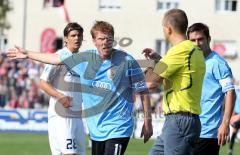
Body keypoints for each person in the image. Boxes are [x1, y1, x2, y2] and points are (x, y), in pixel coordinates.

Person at [7, 21, 153, 155]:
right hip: (96, 130)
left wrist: (148, 121)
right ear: (94, 41)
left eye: (109, 39)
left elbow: (143, 91)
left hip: (119, 128)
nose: (105, 43)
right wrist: (27, 54)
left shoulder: (127, 61)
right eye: (101, 39)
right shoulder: (85, 59)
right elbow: (55, 59)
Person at [143, 9, 206, 155]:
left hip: (180, 121)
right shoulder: (194, 50)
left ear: (168, 29)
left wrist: (152, 66)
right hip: (180, 121)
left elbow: (150, 83)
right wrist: (160, 60)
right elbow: (178, 73)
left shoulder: (179, 51)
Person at [187, 23, 236, 155]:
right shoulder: (191, 61)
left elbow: (230, 92)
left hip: (208, 131)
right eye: (192, 40)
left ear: (208, 39)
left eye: (200, 39)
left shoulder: (218, 63)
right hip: (189, 128)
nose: (197, 43)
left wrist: (225, 124)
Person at [40, 22, 85, 155]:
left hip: (77, 116)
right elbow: (43, 83)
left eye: (79, 35)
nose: (77, 38)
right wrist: (60, 97)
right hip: (62, 116)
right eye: (73, 35)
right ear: (65, 38)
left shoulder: (82, 60)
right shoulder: (59, 57)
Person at [228, 87, 240, 155]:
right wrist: (232, 115)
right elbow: (235, 105)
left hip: (238, 117)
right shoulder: (237, 92)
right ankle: (230, 150)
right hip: (236, 115)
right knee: (234, 133)